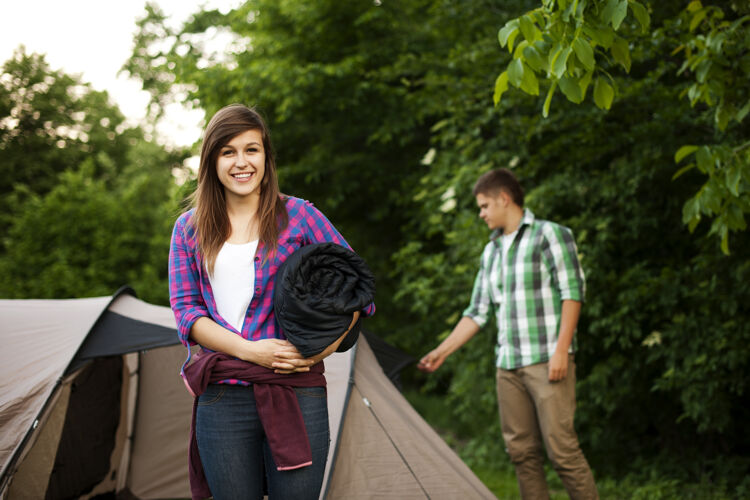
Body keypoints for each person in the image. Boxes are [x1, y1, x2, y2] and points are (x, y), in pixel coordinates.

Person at [168, 103, 374, 500]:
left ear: (266, 157)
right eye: (228, 151)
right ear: (211, 160)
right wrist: (251, 351)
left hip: (297, 392)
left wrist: (318, 352)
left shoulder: (299, 215)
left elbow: (358, 293)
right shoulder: (187, 229)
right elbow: (187, 313)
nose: (241, 162)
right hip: (222, 394)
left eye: (252, 149)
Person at [418, 168, 598, 500]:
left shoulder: (550, 235)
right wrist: (441, 352)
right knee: (521, 453)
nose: (482, 213)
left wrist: (562, 350)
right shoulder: (492, 252)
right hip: (508, 366)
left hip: (547, 360)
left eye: (485, 206)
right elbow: (477, 311)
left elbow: (572, 292)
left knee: (563, 453)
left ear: (505, 198)